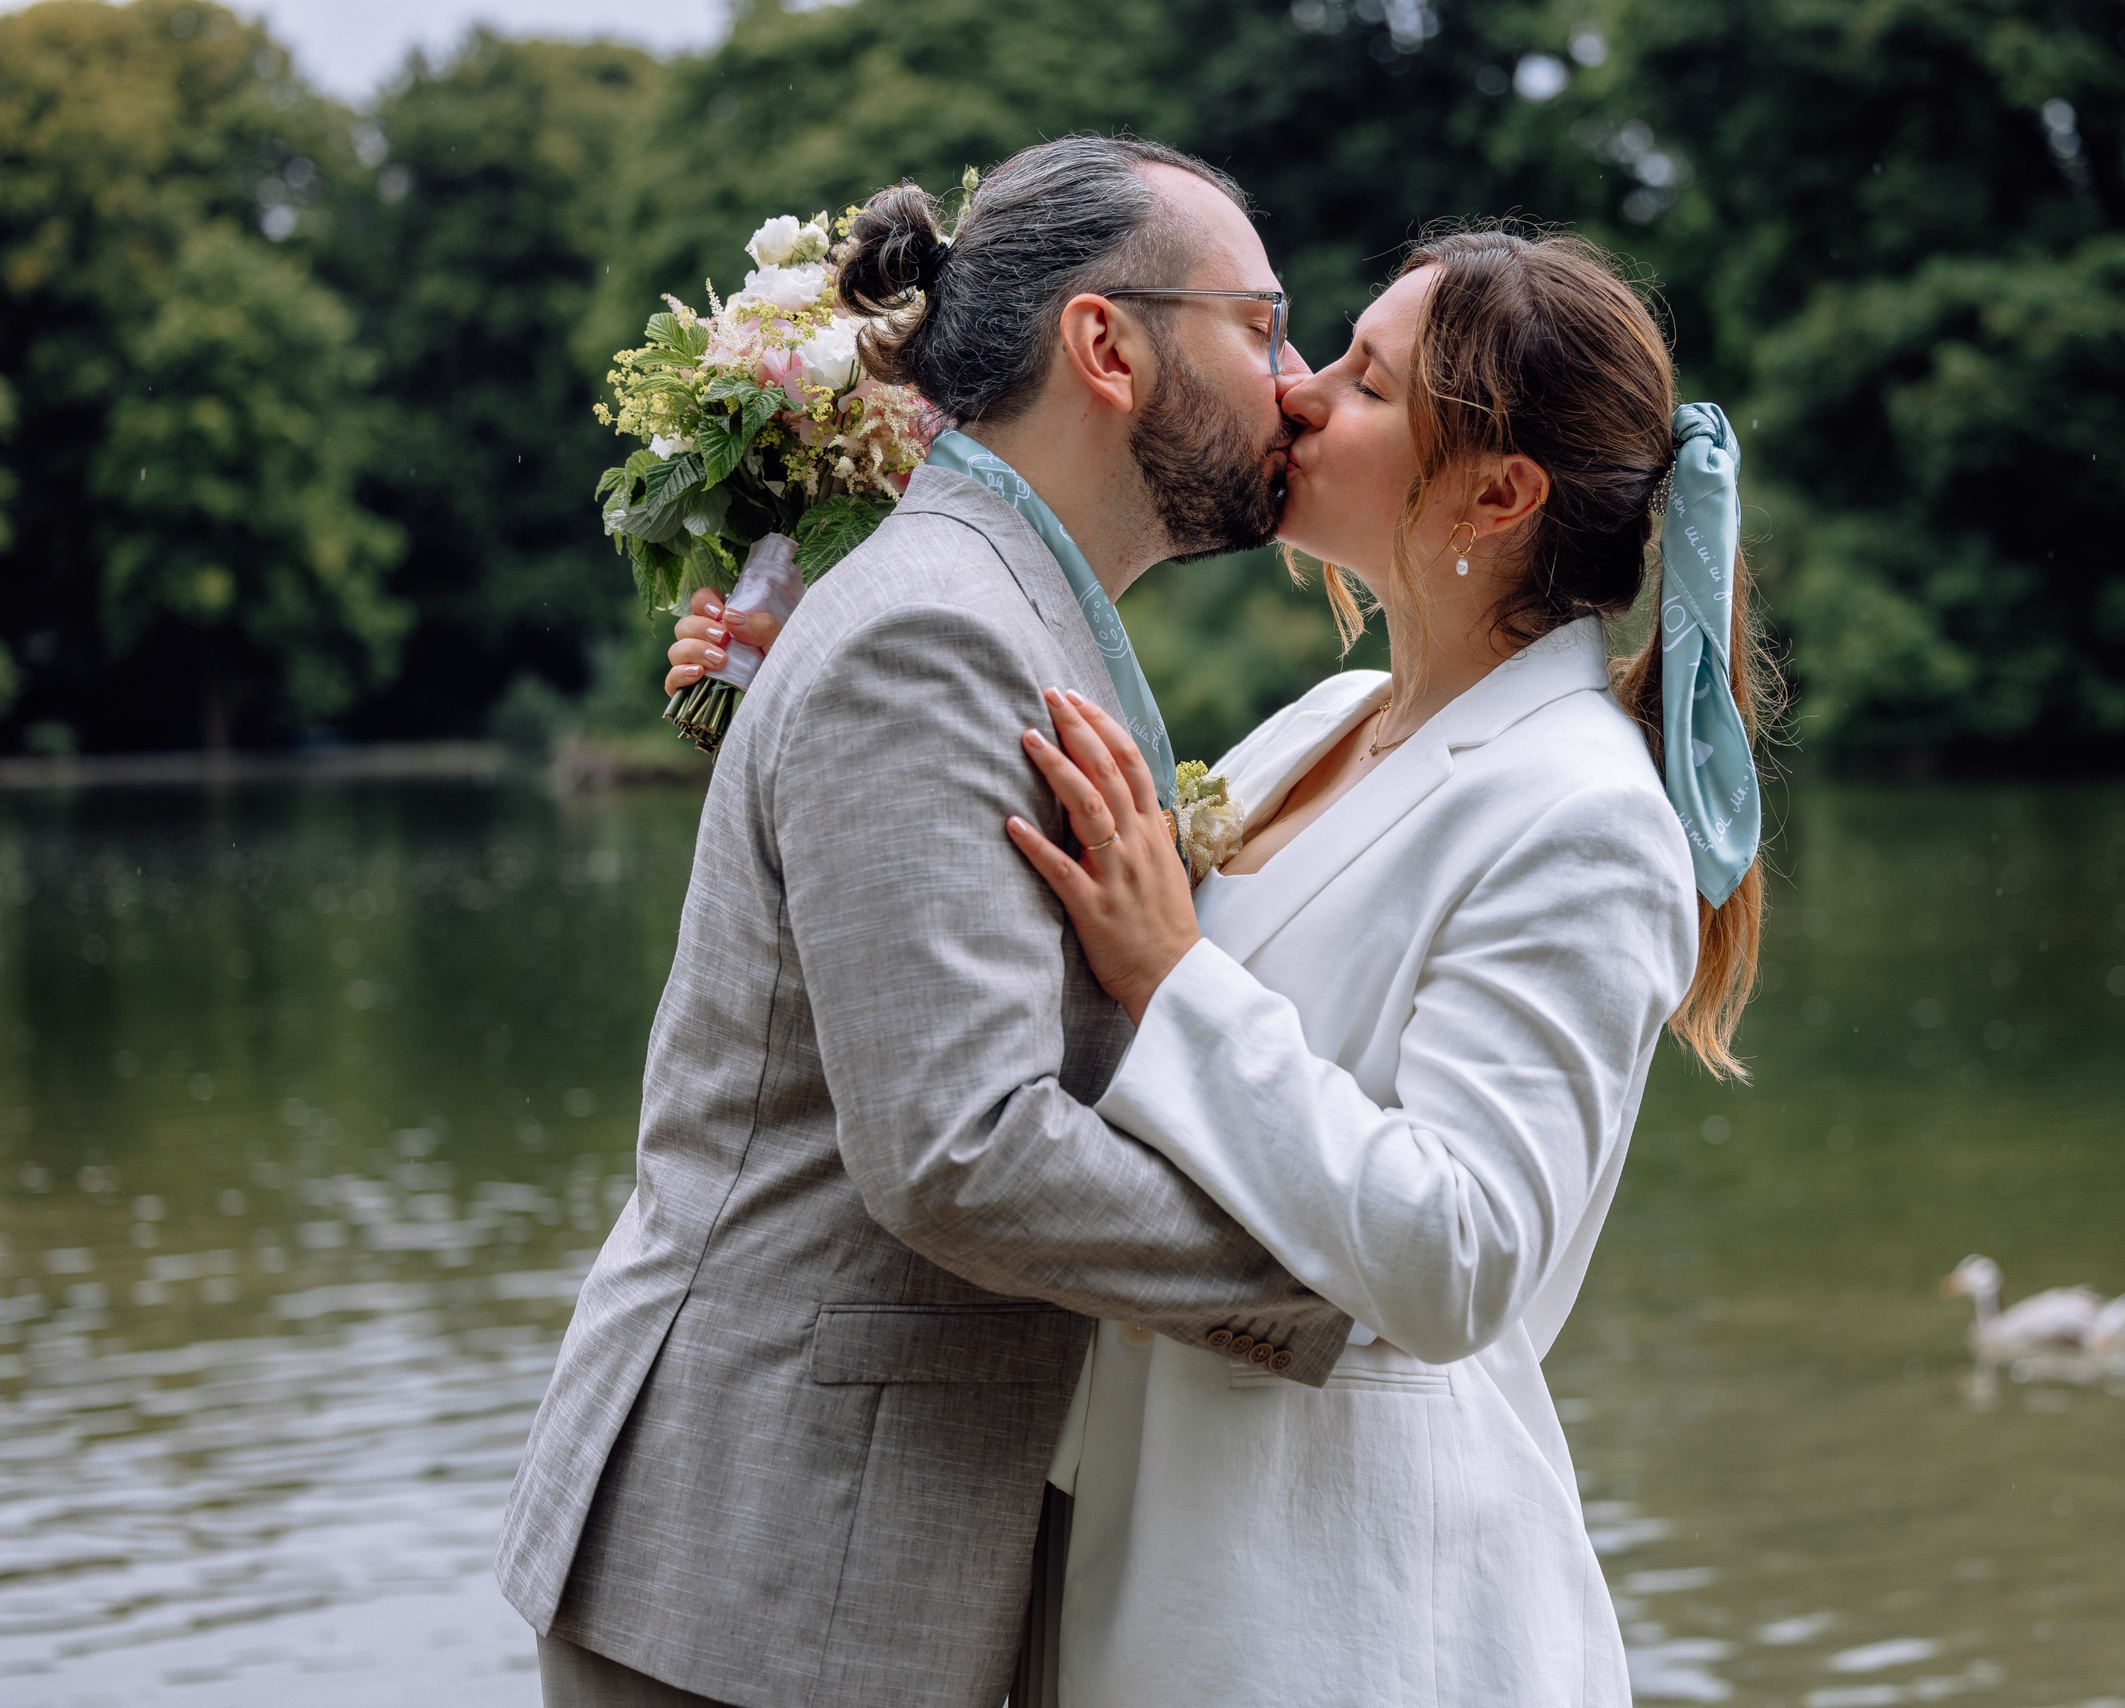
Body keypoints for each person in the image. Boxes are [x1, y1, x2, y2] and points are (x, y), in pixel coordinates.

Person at [670, 226, 1772, 1704]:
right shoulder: (1331, 719)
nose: (1300, 394)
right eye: (1324, 354)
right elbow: (1059, 973)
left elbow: (1465, 1259)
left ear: (1499, 494)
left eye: (1365, 383)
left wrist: (1181, 978)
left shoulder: (1584, 811)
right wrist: (806, 697)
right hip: (1154, 1535)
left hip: (1353, 1593)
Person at [498, 135, 1355, 1708]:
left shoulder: (1001, 605)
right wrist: (1338, 1274)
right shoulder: (933, 633)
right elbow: (956, 1147)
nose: (1296, 381)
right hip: (761, 1572)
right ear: (1107, 344)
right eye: (1262, 323)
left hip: (839, 1560)